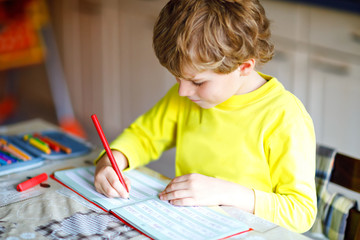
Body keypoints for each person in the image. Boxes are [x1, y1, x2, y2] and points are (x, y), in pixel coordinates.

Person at [94, 0, 317, 233]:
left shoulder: (284, 118)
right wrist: (112, 161)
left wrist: (224, 192)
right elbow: (144, 137)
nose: (182, 91)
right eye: (177, 78)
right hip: (188, 228)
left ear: (243, 67)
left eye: (197, 82)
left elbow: (301, 212)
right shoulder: (188, 96)